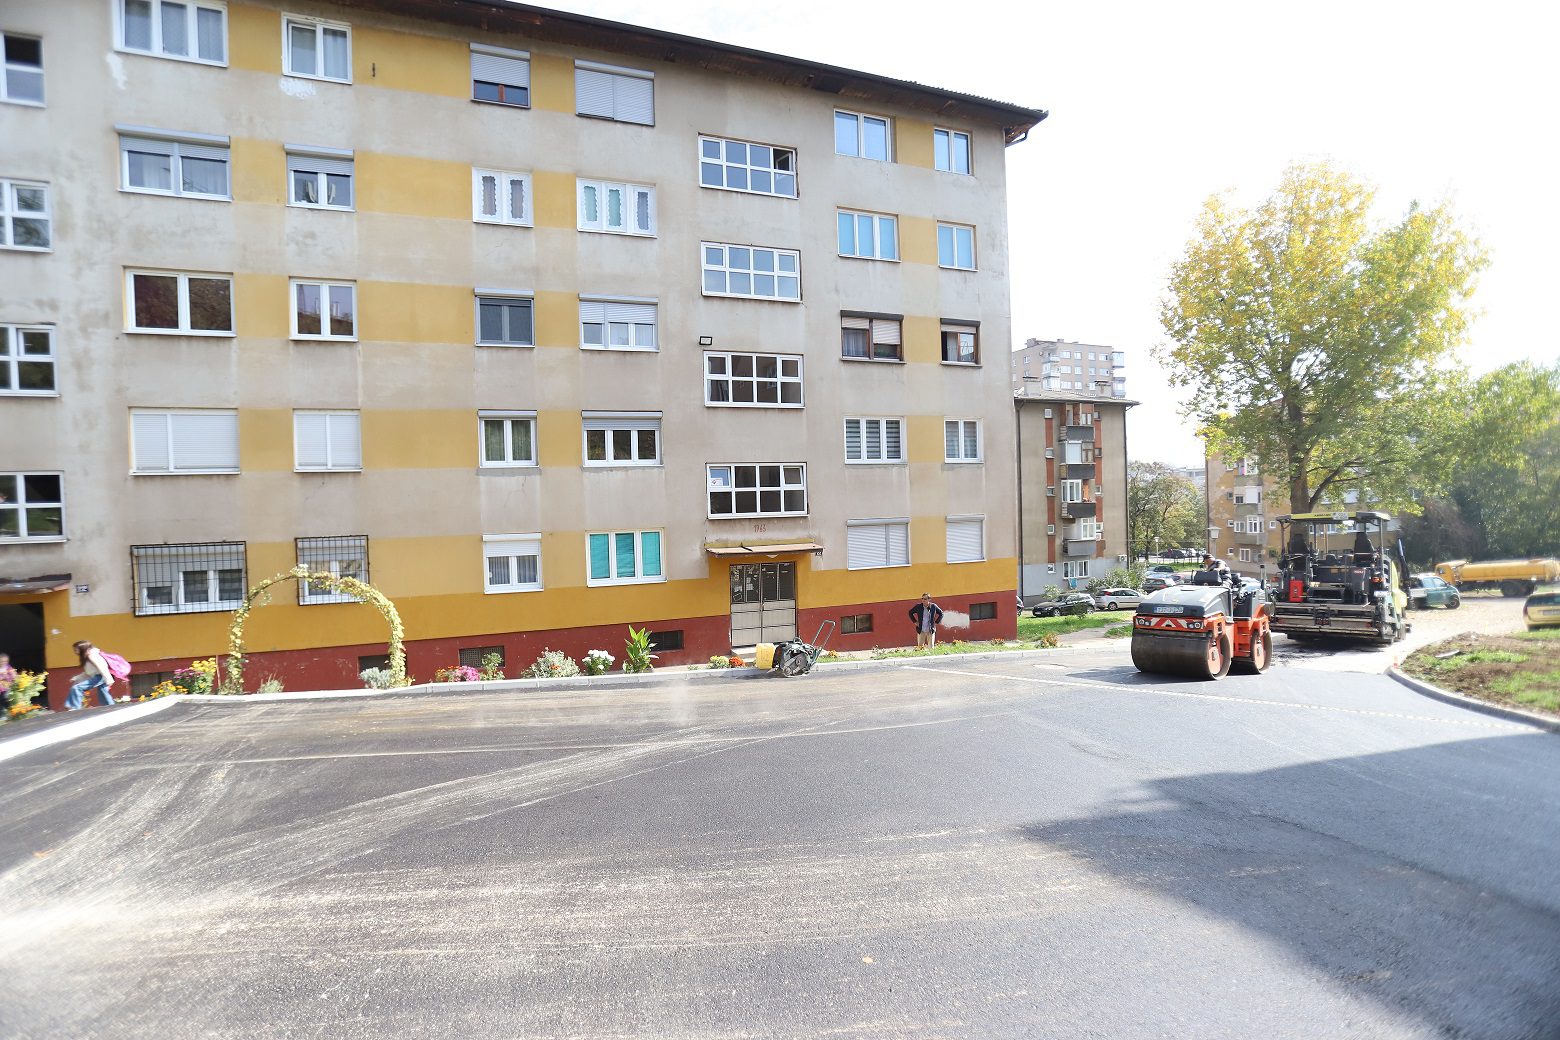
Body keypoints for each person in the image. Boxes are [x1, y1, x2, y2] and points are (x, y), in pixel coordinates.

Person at [67, 640, 117, 710]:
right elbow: (88, 673)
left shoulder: (92, 656)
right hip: (101, 676)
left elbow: (102, 667)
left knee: (77, 688)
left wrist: (108, 678)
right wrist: (76, 678)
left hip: (101, 676)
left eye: (76, 649)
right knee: (103, 692)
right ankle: (111, 708)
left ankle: (74, 707)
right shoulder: (87, 657)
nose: (75, 651)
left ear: (82, 648)